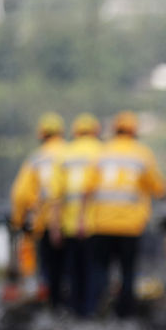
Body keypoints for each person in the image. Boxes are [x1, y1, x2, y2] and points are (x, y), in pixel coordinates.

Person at [87, 111, 166, 317]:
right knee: (128, 269)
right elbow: (158, 187)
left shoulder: (102, 153)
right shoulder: (141, 154)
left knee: (101, 268)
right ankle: (125, 311)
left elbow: (88, 188)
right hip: (130, 225)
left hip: (102, 223)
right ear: (135, 132)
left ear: (115, 130)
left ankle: (99, 307)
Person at [9, 112, 67, 307]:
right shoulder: (71, 154)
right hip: (71, 221)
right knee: (72, 265)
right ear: (61, 132)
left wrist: (18, 221)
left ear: (41, 135)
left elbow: (20, 194)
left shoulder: (36, 159)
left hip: (44, 221)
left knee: (49, 266)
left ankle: (52, 303)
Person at [57, 112, 104, 317]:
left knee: (74, 268)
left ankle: (75, 307)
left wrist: (55, 225)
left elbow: (56, 194)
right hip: (96, 223)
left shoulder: (65, 154)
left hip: (69, 222)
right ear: (95, 131)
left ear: (75, 132)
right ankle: (92, 308)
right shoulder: (103, 152)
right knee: (94, 267)